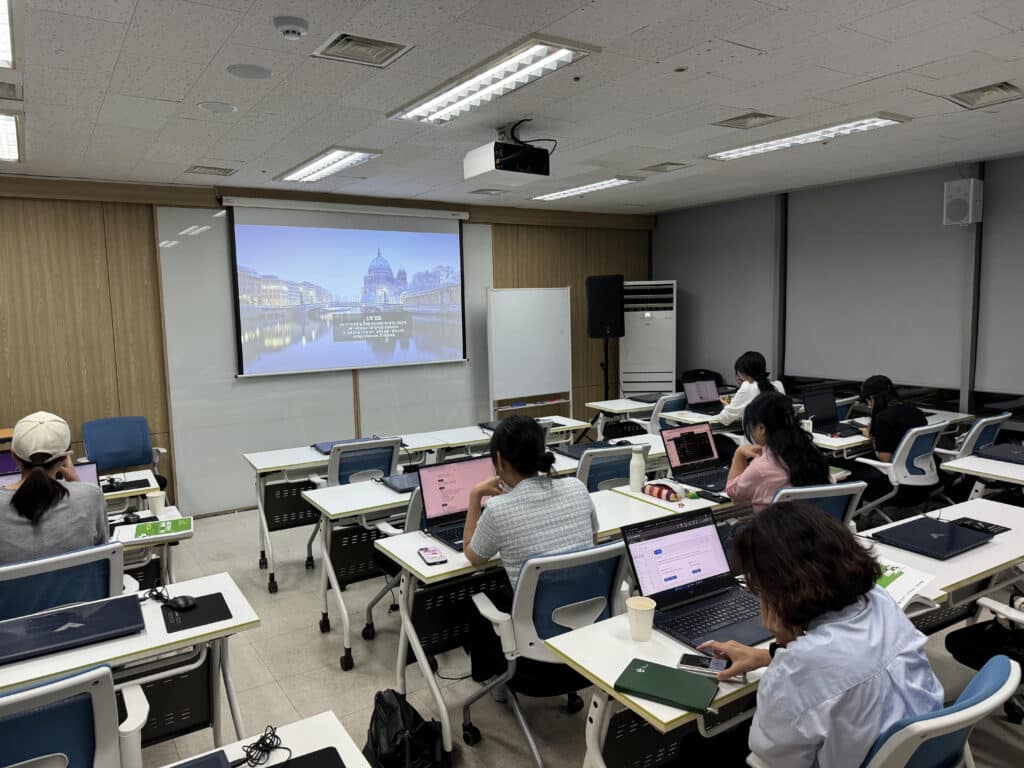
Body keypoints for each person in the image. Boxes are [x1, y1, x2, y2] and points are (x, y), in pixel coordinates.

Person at [699, 502, 943, 768]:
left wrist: (786, 642)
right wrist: (769, 655)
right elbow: (844, 661)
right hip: (924, 750)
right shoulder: (879, 600)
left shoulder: (798, 668)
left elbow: (773, 759)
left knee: (702, 746)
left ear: (776, 590)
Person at [462, 415, 598, 681]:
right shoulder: (577, 488)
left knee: (481, 595)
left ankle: (490, 675)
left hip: (536, 643)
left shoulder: (498, 509)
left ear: (499, 460)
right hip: (587, 628)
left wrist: (474, 496)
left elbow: (472, 556)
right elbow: (591, 544)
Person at [0, 411, 107, 565]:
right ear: (65, 458)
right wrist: (76, 482)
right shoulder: (91, 496)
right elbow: (102, 556)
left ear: (14, 455)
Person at [725, 392, 830, 511]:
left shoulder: (761, 467)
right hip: (814, 525)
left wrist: (739, 454)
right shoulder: (812, 452)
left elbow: (733, 492)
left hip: (775, 528)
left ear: (761, 428)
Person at [841, 375, 929, 504]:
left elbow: (885, 458)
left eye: (867, 401)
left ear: (872, 398)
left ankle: (854, 515)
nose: (868, 405)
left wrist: (875, 439)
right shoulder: (915, 412)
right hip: (921, 477)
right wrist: (875, 433)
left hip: (896, 484)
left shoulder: (883, 419)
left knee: (846, 470)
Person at [717, 351, 786, 428]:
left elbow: (724, 418)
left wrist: (726, 407)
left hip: (755, 438)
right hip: (779, 437)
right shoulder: (778, 384)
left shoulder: (748, 386)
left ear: (744, 372)